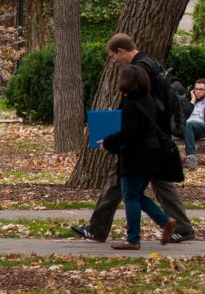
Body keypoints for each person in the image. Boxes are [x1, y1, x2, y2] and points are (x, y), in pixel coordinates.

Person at [69, 33, 195, 243]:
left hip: (140, 144)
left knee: (120, 183)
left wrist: (119, 124)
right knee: (156, 184)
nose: (114, 62)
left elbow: (137, 107)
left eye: (113, 56)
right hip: (155, 138)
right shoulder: (152, 62)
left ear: (121, 51)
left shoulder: (140, 69)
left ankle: (102, 230)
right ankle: (180, 227)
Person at [100, 64, 177, 250]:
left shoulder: (130, 103)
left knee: (131, 198)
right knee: (136, 195)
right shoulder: (148, 99)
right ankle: (164, 221)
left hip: (135, 156)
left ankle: (133, 239)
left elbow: (129, 133)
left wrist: (108, 142)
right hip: (152, 153)